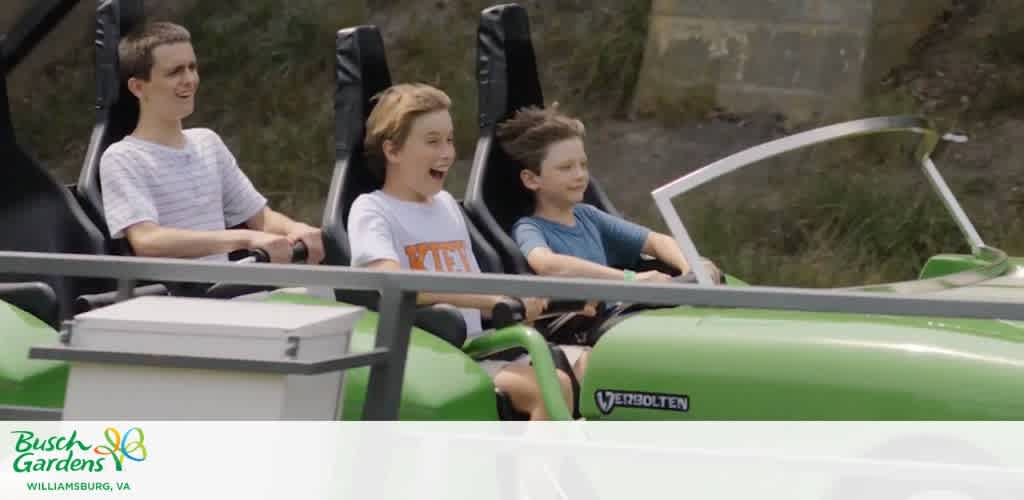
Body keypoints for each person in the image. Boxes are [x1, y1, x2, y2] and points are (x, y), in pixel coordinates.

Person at [346, 83, 576, 420]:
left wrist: (521, 298)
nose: (447, 153)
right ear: (393, 151)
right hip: (430, 355)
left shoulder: (446, 206)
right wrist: (490, 301)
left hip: (478, 346)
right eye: (433, 141)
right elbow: (391, 280)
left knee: (590, 367)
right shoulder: (371, 209)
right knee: (552, 385)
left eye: (450, 140)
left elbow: (472, 281)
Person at [100, 22, 324, 266]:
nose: (189, 79)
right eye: (175, 72)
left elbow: (261, 218)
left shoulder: (208, 142)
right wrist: (244, 239)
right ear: (138, 87)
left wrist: (296, 228)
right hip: (174, 301)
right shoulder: (122, 158)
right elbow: (148, 240)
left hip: (229, 294)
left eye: (192, 67)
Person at [497, 104, 721, 284]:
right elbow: (547, 264)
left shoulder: (588, 216)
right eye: (566, 167)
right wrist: (630, 279)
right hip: (585, 331)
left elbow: (656, 241)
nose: (580, 175)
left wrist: (691, 266)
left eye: (583, 165)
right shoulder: (529, 228)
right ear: (531, 179)